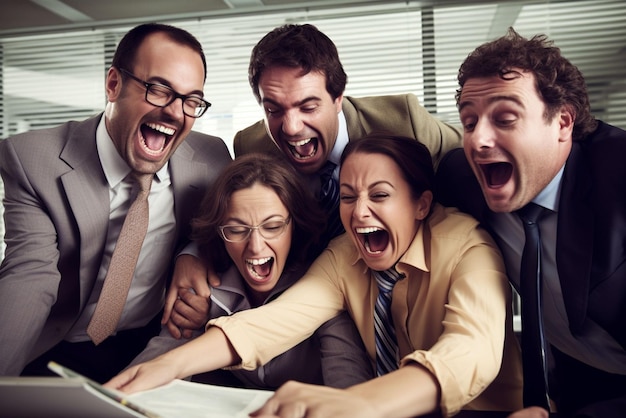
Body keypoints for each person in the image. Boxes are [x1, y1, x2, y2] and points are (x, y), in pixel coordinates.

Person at [106, 133, 523, 417]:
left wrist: (360, 405)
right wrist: (168, 366)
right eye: (347, 197)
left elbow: (469, 353)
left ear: (421, 204)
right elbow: (274, 321)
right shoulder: (346, 253)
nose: (358, 213)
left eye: (379, 195)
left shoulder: (471, 248)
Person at [166, 22, 464, 325]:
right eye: (274, 110)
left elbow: (470, 162)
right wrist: (193, 254)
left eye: (308, 107)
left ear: (338, 99)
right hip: (310, 313)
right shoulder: (251, 146)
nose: (291, 127)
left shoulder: (404, 120)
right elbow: (235, 218)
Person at [0, 23, 232, 383]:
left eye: (191, 100)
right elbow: (29, 276)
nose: (175, 112)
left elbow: (225, 235)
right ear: (113, 85)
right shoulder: (32, 160)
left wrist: (193, 251)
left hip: (151, 340)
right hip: (60, 344)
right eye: (158, 90)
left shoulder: (212, 157)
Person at [435, 28, 626, 418]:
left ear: (563, 123)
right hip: (573, 380)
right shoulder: (462, 178)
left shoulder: (619, 175)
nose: (478, 141)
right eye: (470, 123)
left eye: (505, 118)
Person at [127, 153, 373, 389]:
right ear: (219, 233)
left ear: (295, 225)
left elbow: (349, 387)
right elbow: (155, 364)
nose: (255, 247)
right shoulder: (203, 284)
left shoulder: (323, 288)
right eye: (236, 230)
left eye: (273, 226)